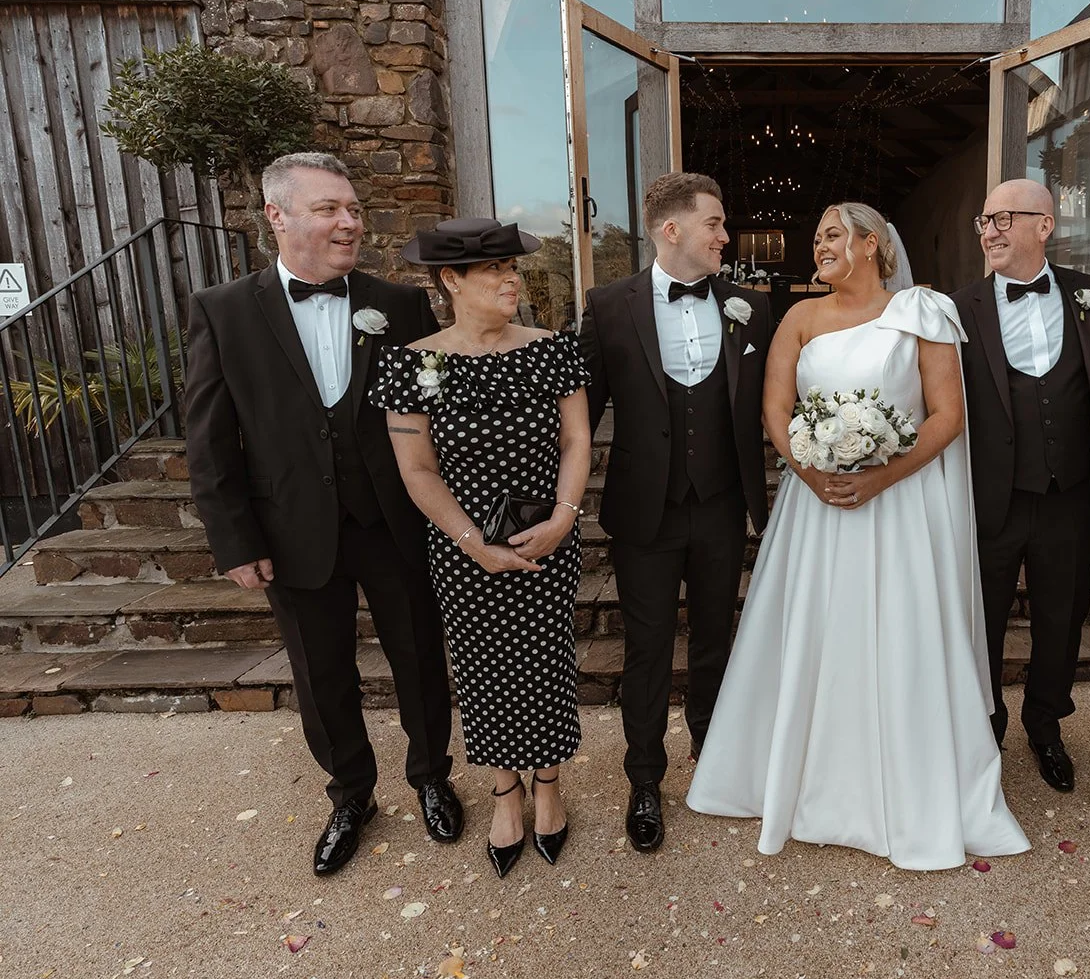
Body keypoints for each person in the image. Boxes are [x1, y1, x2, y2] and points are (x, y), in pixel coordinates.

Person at [686, 202, 1028, 870]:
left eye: (833, 235)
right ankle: (806, 776)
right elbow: (774, 407)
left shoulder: (921, 311)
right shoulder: (799, 317)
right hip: (817, 508)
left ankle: (904, 783)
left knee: (900, 634)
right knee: (820, 631)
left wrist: (882, 476)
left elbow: (947, 414)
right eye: (816, 238)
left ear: (872, 244)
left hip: (899, 508)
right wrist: (807, 468)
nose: (820, 246)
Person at [184, 152, 460, 877]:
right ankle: (352, 797)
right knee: (321, 672)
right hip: (290, 529)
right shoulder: (223, 310)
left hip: (396, 522)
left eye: (353, 209)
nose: (348, 222)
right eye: (328, 209)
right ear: (276, 216)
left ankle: (432, 775)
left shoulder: (400, 305)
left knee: (421, 658)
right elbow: (210, 439)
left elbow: (436, 417)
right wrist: (234, 538)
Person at [371, 218, 590, 877]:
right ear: (451, 281)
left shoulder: (553, 348)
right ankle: (504, 792)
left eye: (512, 268)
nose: (510, 279)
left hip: (550, 540)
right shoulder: (414, 362)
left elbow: (577, 442)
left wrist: (563, 516)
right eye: (494, 270)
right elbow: (418, 471)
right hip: (464, 551)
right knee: (483, 670)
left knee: (548, 662)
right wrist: (472, 543)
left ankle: (547, 786)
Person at [578, 173, 774, 853]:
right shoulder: (607, 307)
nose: (727, 236)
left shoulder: (751, 305)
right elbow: (580, 418)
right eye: (715, 224)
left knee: (718, 638)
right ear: (673, 230)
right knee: (649, 647)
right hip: (645, 514)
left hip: (722, 507)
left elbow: (773, 406)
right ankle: (643, 778)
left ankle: (713, 758)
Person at [952, 179, 1090, 794]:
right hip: (990, 498)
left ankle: (1046, 724)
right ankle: (984, 730)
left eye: (1002, 219)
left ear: (1044, 226)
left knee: (1062, 618)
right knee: (981, 622)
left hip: (1069, 495)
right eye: (983, 220)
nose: (989, 231)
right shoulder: (960, 308)